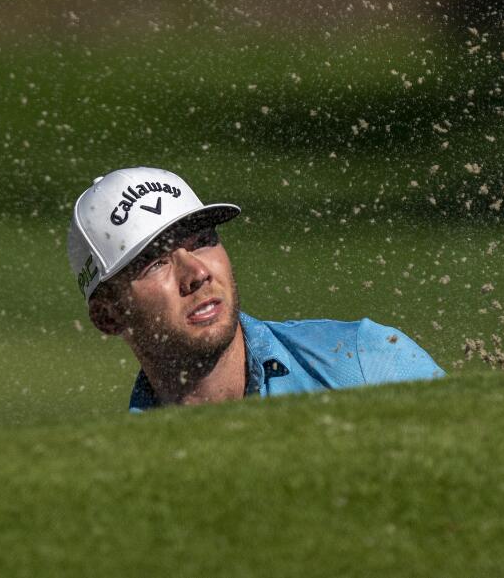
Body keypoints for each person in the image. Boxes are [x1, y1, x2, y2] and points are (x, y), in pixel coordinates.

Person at [67, 166, 444, 411]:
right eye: (155, 263)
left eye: (203, 240)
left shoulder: (363, 363)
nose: (197, 272)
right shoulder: (129, 461)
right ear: (109, 315)